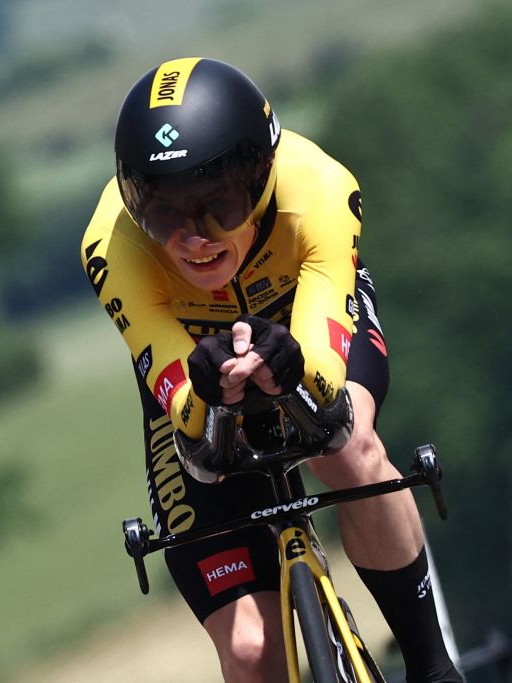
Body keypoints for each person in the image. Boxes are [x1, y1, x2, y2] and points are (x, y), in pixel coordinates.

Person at [80, 57, 463, 683]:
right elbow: (188, 418)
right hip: (196, 366)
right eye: (164, 213)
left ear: (260, 180)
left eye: (217, 207)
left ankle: (432, 666)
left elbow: (325, 383)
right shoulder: (111, 244)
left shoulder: (319, 190)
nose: (192, 238)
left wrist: (295, 366)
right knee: (253, 651)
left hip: (307, 326)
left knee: (350, 444)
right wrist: (204, 390)